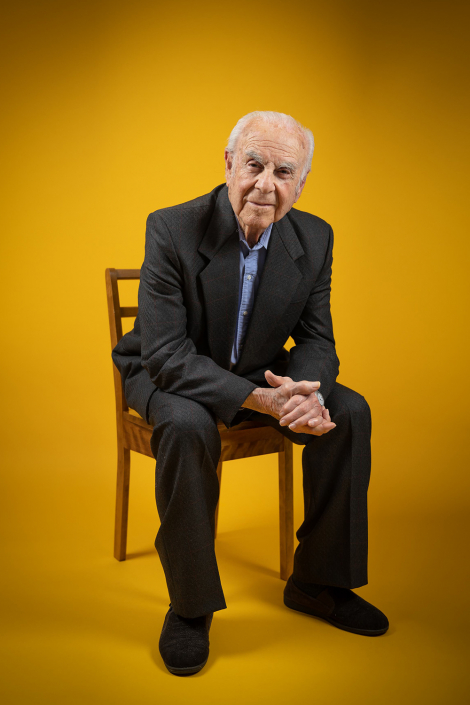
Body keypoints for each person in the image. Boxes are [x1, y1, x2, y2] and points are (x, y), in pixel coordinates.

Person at [112, 110, 389, 676]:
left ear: (302, 182)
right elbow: (165, 354)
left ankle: (319, 583)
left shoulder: (314, 236)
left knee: (349, 412)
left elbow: (315, 337)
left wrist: (306, 392)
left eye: (284, 171)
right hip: (173, 372)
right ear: (229, 163)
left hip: (265, 372)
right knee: (188, 426)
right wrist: (256, 399)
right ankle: (190, 607)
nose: (266, 183)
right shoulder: (171, 227)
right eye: (255, 164)